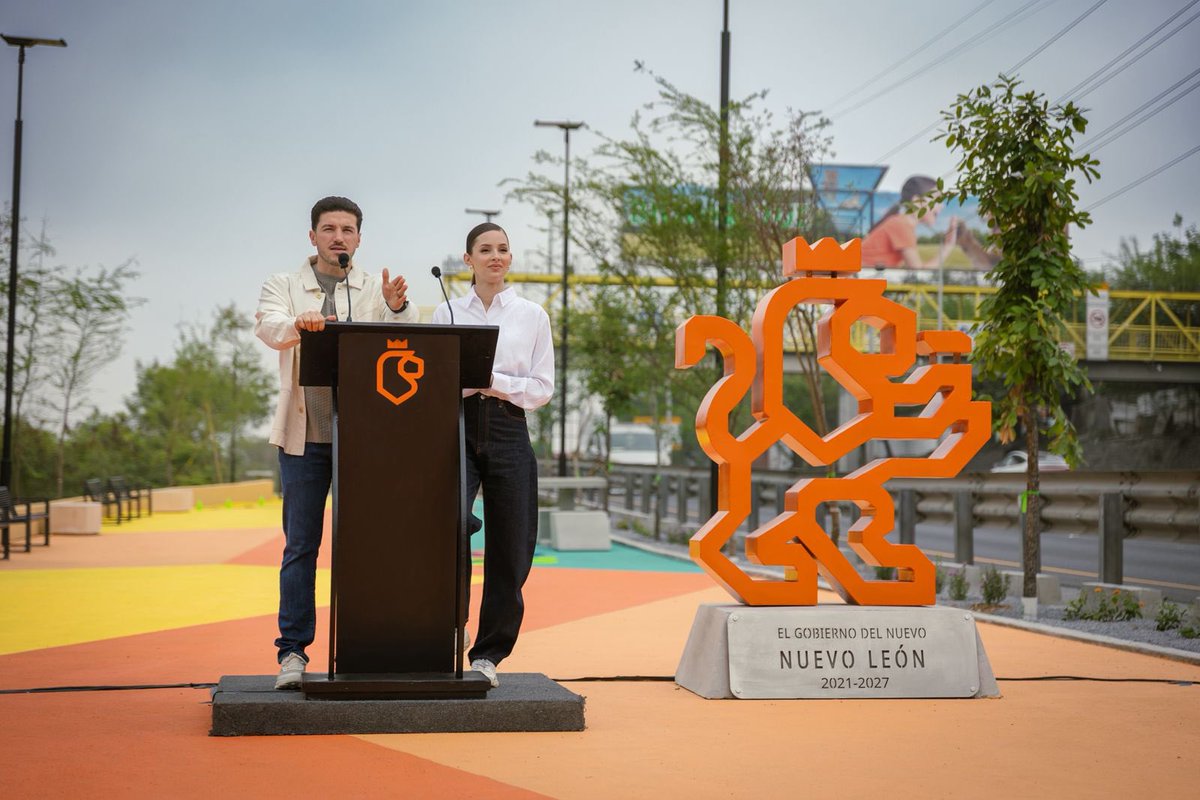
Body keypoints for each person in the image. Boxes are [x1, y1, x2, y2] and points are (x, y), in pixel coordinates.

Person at [255, 195, 419, 690]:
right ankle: (292, 654)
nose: (338, 238)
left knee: (369, 543)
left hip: (363, 439)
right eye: (329, 229)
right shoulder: (282, 285)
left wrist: (397, 306)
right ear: (313, 237)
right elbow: (268, 327)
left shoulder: (373, 287)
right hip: (305, 440)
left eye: (347, 230)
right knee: (301, 546)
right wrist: (299, 324)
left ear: (359, 239)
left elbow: (404, 340)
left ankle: (367, 646)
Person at [432, 222, 553, 687]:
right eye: (485, 249)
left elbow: (542, 389)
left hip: (508, 426)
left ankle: (488, 655)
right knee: (447, 526)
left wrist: (492, 381)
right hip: (454, 425)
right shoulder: (446, 313)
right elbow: (431, 376)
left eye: (503, 249)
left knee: (512, 542)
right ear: (468, 259)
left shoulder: (532, 315)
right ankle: (449, 625)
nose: (495, 256)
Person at [861, 175, 959, 269]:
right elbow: (919, 274)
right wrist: (948, 247)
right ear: (917, 201)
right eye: (937, 200)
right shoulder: (901, 225)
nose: (942, 206)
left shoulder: (901, 223)